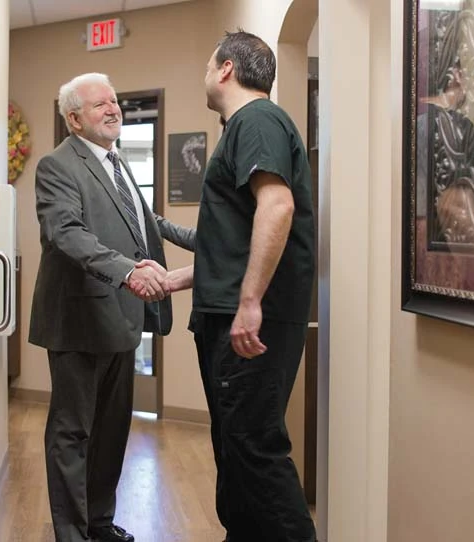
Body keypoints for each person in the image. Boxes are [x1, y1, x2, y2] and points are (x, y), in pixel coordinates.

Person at [28, 72, 195, 542]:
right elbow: (68, 234)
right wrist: (128, 270)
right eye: (100, 104)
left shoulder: (116, 163)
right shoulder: (57, 165)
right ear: (74, 118)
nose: (113, 108)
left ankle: (99, 523)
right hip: (79, 322)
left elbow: (148, 222)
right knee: (73, 435)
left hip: (121, 320)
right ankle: (72, 534)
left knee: (110, 434)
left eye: (114, 101)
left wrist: (212, 241)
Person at [167, 30, 317, 541]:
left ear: (227, 69)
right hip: (229, 313)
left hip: (252, 322)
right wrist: (180, 279)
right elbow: (235, 241)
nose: (206, 74)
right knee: (236, 452)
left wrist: (250, 301)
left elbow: (277, 207)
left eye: (210, 64)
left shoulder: (257, 119)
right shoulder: (243, 126)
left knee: (254, 451)